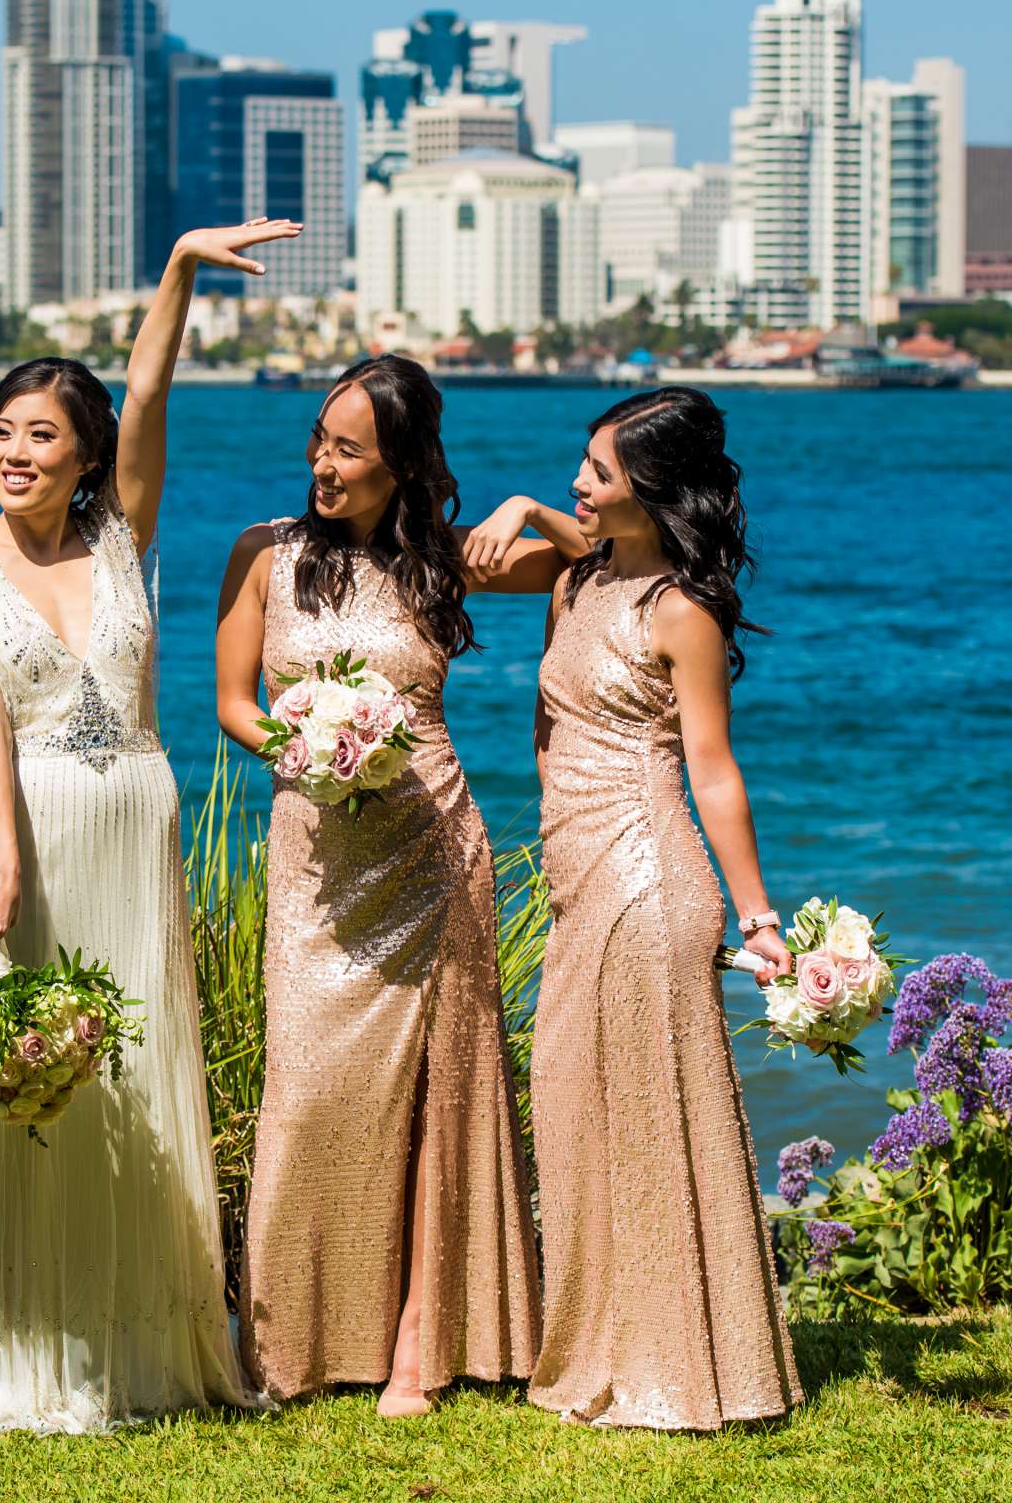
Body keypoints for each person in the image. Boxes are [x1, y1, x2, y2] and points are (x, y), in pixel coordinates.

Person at [0, 219, 299, 1439]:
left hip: (137, 828)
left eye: (40, 434)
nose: (13, 450)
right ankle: (22, 1347)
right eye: (0, 432)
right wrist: (0, 862)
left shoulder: (126, 536)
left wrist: (180, 270)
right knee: (27, 1087)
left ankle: (138, 1344)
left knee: (136, 1076)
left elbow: (149, 384)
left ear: (87, 452)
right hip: (34, 837)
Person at [212, 356, 546, 1417]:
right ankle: (289, 1342)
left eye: (349, 448)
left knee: (438, 1101)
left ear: (403, 463)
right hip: (316, 853)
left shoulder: (443, 560)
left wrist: (532, 506)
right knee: (307, 1093)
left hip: (434, 845)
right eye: (320, 438)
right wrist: (307, 746)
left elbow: (603, 559)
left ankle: (420, 1345)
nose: (323, 461)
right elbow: (231, 703)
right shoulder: (263, 553)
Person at [475, 386, 802, 1430]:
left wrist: (757, 917)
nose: (581, 479)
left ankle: (680, 1364)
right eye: (581, 460)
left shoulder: (682, 610)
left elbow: (713, 770)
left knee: (658, 1122)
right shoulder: (577, 578)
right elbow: (460, 568)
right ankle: (613, 1343)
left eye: (601, 472)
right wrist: (524, 503)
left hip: (650, 879)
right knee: (572, 1111)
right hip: (580, 884)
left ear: (651, 492)